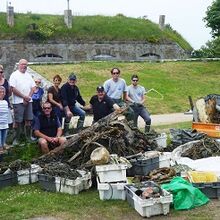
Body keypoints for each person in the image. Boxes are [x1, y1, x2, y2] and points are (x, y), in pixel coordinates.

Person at [9, 59, 36, 143]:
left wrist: (28, 97)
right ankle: (17, 139)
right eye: (23, 64)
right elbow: (12, 88)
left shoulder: (28, 75)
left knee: (28, 120)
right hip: (18, 102)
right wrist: (24, 97)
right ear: (19, 65)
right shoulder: (14, 75)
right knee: (18, 121)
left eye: (26, 65)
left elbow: (33, 88)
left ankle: (28, 137)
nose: (24, 66)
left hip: (28, 101)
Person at [0, 86, 9, 154]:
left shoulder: (5, 102)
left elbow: (7, 113)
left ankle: (2, 146)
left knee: (3, 139)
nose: (2, 93)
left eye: (3, 92)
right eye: (0, 92)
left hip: (5, 124)